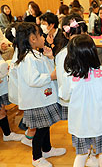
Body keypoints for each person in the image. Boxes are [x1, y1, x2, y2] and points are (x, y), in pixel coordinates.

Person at [15, 22, 66, 167]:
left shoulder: (36, 55)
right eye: (41, 35)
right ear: (32, 39)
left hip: (42, 98)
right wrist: (50, 76)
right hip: (36, 101)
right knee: (41, 129)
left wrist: (50, 58)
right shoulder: (28, 58)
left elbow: (49, 71)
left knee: (46, 125)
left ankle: (47, 149)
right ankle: (36, 157)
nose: (43, 38)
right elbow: (34, 79)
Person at [61, 34, 102, 167]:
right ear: (93, 53)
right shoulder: (101, 72)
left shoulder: (69, 76)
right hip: (100, 122)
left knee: (82, 154)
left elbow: (64, 95)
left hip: (80, 124)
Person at [5, 24, 35, 147]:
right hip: (24, 93)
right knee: (34, 120)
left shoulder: (20, 52)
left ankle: (28, 132)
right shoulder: (22, 55)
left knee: (33, 118)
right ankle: (28, 137)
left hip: (22, 93)